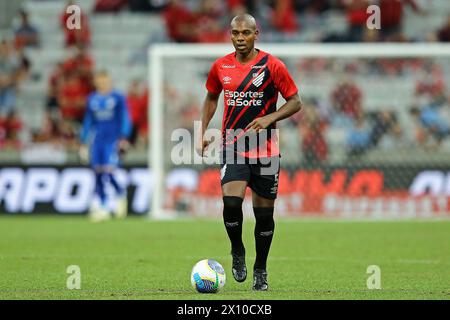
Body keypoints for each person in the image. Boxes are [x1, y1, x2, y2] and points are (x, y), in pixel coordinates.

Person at [199, 14, 302, 291]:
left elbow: (295, 102)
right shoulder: (221, 66)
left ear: (257, 33)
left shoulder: (272, 66)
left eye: (246, 33)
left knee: (264, 216)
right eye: (235, 33)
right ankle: (237, 250)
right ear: (230, 34)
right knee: (231, 204)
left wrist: (270, 118)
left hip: (266, 150)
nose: (240, 38)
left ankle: (261, 269)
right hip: (233, 145)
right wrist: (202, 131)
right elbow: (211, 96)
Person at [80, 71, 131, 222]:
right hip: (97, 141)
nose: (103, 83)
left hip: (112, 140)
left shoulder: (117, 98)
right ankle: (103, 205)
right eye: (100, 81)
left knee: (108, 172)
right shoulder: (92, 99)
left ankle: (117, 196)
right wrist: (83, 141)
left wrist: (123, 137)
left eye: (105, 81)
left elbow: (124, 117)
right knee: (97, 173)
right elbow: (88, 121)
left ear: (110, 81)